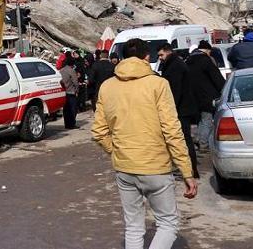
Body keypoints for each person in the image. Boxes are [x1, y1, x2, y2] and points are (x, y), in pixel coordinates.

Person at [92, 38, 197, 249]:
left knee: (133, 226)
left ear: (121, 57)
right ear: (147, 57)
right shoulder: (158, 84)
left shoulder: (107, 87)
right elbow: (172, 131)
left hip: (125, 168)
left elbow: (99, 131)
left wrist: (117, 151)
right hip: (155, 167)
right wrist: (187, 171)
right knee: (168, 223)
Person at [157, 43, 200, 178]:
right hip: (183, 108)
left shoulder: (175, 66)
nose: (159, 58)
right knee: (184, 139)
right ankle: (189, 169)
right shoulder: (174, 63)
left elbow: (175, 90)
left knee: (183, 140)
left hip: (181, 110)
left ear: (168, 52)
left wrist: (170, 109)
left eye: (161, 55)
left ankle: (190, 169)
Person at [186, 40, 225, 152]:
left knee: (200, 119)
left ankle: (198, 139)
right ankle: (203, 143)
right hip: (207, 96)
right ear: (207, 50)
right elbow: (217, 78)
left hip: (192, 96)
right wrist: (224, 89)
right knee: (207, 119)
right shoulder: (206, 60)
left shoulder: (188, 60)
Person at [59, 52, 80, 129]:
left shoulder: (61, 70)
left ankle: (67, 124)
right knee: (73, 109)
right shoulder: (72, 71)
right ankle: (72, 124)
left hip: (64, 92)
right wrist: (77, 90)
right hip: (71, 92)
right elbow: (75, 82)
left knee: (66, 109)